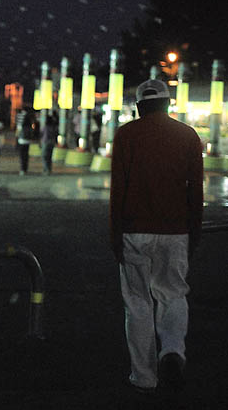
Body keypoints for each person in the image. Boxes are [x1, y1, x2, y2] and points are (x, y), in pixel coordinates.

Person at [110, 79, 203, 393]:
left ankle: (144, 378)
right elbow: (196, 192)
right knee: (173, 294)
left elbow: (118, 190)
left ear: (139, 107)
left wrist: (115, 234)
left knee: (137, 303)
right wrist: (194, 233)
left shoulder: (126, 135)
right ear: (168, 104)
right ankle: (172, 351)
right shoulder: (188, 136)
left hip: (134, 231)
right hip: (175, 231)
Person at [15, 107, 33, 175]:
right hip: (28, 141)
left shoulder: (21, 126)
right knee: (26, 155)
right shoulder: (30, 126)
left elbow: (18, 133)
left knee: (22, 155)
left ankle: (22, 169)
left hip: (21, 141)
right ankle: (25, 168)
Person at [40, 110, 58, 175]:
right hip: (52, 143)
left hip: (45, 142)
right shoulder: (54, 128)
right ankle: (49, 169)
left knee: (44, 157)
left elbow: (41, 134)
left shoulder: (45, 127)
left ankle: (46, 169)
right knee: (49, 157)